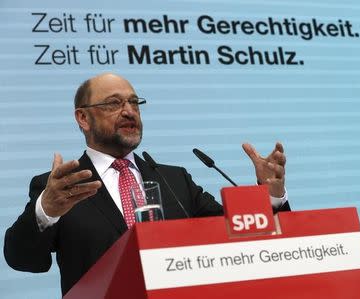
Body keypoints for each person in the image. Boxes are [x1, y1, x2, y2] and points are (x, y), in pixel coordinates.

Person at [3, 73, 289, 295]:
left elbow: (242, 239)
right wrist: (46, 211)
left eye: (134, 102)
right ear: (83, 117)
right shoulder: (61, 188)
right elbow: (23, 259)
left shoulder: (175, 180)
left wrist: (271, 197)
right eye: (114, 103)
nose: (129, 111)